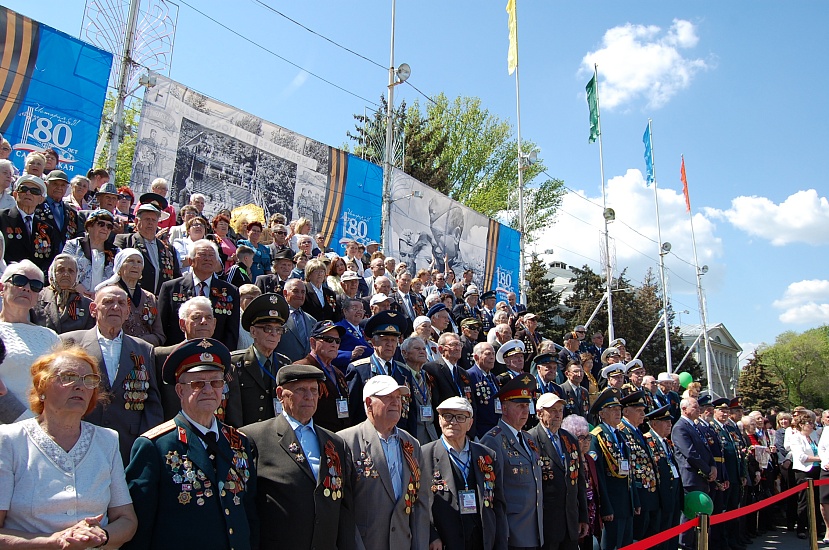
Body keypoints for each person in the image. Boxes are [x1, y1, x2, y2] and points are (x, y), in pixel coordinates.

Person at [124, 338, 257, 550]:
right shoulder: (155, 446)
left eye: (215, 382)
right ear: (179, 391)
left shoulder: (238, 442)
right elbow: (141, 527)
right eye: (197, 383)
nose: (208, 390)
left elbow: (249, 512)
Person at [0, 347, 138, 548]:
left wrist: (102, 536)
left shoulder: (106, 440)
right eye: (69, 377)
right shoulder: (10, 440)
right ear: (41, 388)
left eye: (89, 380)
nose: (80, 386)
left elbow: (127, 521)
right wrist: (52, 542)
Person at [241, 363, 356, 549]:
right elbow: (247, 508)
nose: (309, 397)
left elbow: (344, 508)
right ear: (280, 394)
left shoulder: (335, 442)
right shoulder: (254, 438)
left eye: (314, 390)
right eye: (301, 390)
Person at [61, 285, 162, 464]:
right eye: (108, 302)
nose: (115, 307)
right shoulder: (70, 342)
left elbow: (152, 402)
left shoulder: (143, 349)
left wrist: (148, 444)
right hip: (79, 437)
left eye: (121, 303)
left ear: (127, 311)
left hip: (128, 444)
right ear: (93, 309)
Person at [336, 375, 428, 549]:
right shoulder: (345, 441)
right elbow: (343, 508)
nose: (396, 402)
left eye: (398, 397)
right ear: (369, 403)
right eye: (388, 397)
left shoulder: (411, 443)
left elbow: (419, 502)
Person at [423, 396, 508, 550]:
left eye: (460, 417)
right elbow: (418, 504)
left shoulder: (487, 455)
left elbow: (498, 506)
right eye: (447, 416)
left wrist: (500, 543)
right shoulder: (424, 455)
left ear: (470, 423)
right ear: (439, 420)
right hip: (444, 542)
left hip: (481, 540)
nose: (453, 422)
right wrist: (431, 536)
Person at [480, 373, 544, 549]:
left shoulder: (527, 438)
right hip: (512, 533)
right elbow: (493, 494)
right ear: (504, 407)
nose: (525, 411)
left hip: (534, 530)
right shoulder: (493, 440)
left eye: (527, 406)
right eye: (520, 406)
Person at [0, 260, 62, 423]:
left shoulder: (50, 336)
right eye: (19, 281)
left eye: (35, 285)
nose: (26, 288)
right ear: (2, 288)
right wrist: (23, 421)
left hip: (42, 427)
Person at [529, 393, 589, 550]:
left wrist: (583, 515)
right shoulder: (530, 439)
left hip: (570, 522)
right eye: (552, 410)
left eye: (560, 410)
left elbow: (579, 481)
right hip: (546, 523)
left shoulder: (570, 439)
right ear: (540, 413)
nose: (557, 414)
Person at [157, 239, 240, 351]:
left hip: (215, 355)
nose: (207, 259)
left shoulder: (230, 291)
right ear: (191, 261)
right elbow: (162, 326)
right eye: (202, 255)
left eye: (211, 255)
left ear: (216, 262)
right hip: (178, 353)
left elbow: (232, 332)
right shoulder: (171, 288)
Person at [223, 293, 292, 428]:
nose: (274, 334)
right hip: (245, 435)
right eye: (267, 328)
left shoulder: (285, 364)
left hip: (276, 435)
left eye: (278, 330)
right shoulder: (234, 362)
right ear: (253, 332)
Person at [345, 311, 417, 433]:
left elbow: (411, 412)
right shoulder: (359, 369)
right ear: (373, 342)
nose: (390, 344)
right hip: (368, 435)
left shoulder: (404, 371)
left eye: (393, 340)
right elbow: (352, 410)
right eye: (385, 340)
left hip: (399, 435)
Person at [589, 388, 636, 550]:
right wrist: (605, 507)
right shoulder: (597, 437)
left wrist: (634, 500)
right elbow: (599, 477)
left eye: (619, 409)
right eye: (612, 409)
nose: (617, 413)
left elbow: (630, 472)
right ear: (601, 414)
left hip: (626, 503)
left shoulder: (621, 436)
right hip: (612, 505)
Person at [672, 397, 716, 549]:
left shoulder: (696, 426)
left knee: (701, 517)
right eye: (695, 407)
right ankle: (684, 546)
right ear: (684, 409)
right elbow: (690, 453)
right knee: (689, 515)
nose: (699, 410)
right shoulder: (680, 427)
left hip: (702, 477)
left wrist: (713, 466)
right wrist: (707, 469)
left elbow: (707, 449)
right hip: (691, 478)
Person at [98, 248, 166, 346]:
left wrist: (141, 343)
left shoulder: (150, 297)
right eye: (130, 261)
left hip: (146, 350)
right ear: (119, 267)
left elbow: (159, 335)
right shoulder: (108, 294)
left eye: (139, 262)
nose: (135, 265)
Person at [616, 392, 659, 543]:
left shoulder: (637, 431)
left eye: (643, 410)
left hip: (648, 491)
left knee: (649, 534)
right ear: (626, 411)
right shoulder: (621, 431)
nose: (643, 414)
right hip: (637, 492)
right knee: (637, 536)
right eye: (639, 411)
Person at [294, 320, 352, 432]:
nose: (334, 344)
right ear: (313, 342)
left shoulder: (338, 373)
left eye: (337, 341)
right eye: (328, 339)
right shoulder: (302, 368)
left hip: (339, 437)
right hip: (314, 435)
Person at [114, 201, 181, 295]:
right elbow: (115, 270)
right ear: (137, 221)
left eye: (153, 220)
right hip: (131, 298)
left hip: (160, 301)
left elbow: (176, 277)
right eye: (147, 219)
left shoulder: (168, 249)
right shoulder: (125, 241)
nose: (150, 223)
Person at [422, 332, 479, 437]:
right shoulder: (432, 369)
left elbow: (472, 403)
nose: (458, 348)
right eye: (453, 345)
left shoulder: (463, 373)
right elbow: (434, 402)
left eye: (459, 345)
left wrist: (470, 431)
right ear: (440, 349)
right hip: (445, 428)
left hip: (464, 429)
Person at [642, 405, 683, 550]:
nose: (669, 425)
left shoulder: (666, 441)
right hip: (660, 495)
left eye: (670, 422)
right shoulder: (647, 440)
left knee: (672, 531)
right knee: (660, 533)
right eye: (666, 422)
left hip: (673, 492)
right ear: (654, 424)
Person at [562, 413, 603, 550]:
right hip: (576, 517)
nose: (586, 442)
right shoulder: (568, 460)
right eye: (581, 438)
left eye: (588, 437)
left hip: (591, 515)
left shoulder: (589, 459)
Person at [0, 175, 57, 273]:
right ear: (15, 194)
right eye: (24, 189)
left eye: (35, 191)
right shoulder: (2, 218)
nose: (28, 193)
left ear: (41, 199)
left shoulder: (47, 228)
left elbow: (50, 260)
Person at [32, 254, 96, 334]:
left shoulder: (87, 304)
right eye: (61, 270)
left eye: (71, 271)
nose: (66, 274)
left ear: (77, 275)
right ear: (52, 273)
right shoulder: (36, 298)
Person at [62, 209, 120, 298]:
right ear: (89, 226)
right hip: (74, 296)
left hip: (104, 300)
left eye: (109, 226)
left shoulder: (116, 251)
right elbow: (63, 267)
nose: (105, 228)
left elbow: (120, 276)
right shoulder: (74, 245)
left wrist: (101, 294)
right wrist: (78, 287)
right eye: (101, 224)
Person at [399, 336, 438, 445]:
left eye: (424, 349)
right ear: (405, 353)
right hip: (413, 435)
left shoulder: (427, 375)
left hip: (431, 434)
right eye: (417, 349)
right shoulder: (401, 376)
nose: (422, 352)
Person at [790, 409, 821, 539]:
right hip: (803, 471)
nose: (811, 425)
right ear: (801, 424)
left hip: (817, 470)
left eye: (812, 423)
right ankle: (801, 528)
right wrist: (821, 458)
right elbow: (802, 457)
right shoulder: (796, 437)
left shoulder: (814, 436)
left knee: (817, 499)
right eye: (808, 423)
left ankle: (816, 528)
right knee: (804, 500)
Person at [38, 170, 84, 256]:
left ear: (67, 188)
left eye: (63, 185)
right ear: (46, 185)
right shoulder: (37, 207)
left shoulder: (71, 212)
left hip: (64, 261)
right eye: (55, 184)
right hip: (41, 259)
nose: (59, 188)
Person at [275, 278, 317, 362]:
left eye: (303, 292)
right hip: (284, 369)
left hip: (308, 370)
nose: (300, 295)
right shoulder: (277, 318)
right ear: (285, 293)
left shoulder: (312, 321)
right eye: (295, 291)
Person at [466, 341, 502, 438]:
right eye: (487, 354)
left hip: (495, 428)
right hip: (481, 431)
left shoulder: (493, 377)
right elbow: (471, 406)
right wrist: (474, 434)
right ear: (476, 357)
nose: (492, 357)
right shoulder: (470, 376)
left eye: (493, 354)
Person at [334, 296, 371, 369]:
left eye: (361, 309)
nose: (359, 311)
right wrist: (350, 354)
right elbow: (328, 352)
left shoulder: (363, 330)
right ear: (345, 311)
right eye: (355, 308)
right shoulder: (338, 328)